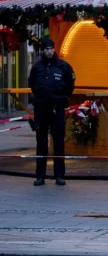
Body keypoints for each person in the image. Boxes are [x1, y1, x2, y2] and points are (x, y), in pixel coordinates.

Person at [28, 38, 75, 186]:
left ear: (54, 49)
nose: (49, 51)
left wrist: (61, 97)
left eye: (51, 48)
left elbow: (70, 85)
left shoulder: (63, 66)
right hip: (41, 107)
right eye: (46, 49)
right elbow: (32, 84)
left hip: (57, 107)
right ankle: (40, 175)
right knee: (41, 142)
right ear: (43, 50)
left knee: (59, 141)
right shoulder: (37, 67)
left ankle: (59, 175)